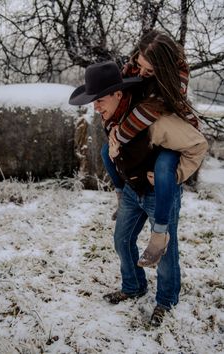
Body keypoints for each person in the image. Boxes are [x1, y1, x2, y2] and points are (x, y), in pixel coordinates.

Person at [69, 61, 208, 325]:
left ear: (118, 94)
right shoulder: (110, 114)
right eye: (92, 101)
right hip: (133, 191)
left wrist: (177, 175)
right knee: (122, 240)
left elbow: (199, 144)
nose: (95, 107)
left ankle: (166, 300)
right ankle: (133, 286)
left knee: (165, 251)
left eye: (99, 100)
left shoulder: (155, 122)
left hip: (159, 192)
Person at [100, 30, 208, 267]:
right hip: (146, 134)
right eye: (139, 65)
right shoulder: (134, 66)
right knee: (105, 152)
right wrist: (112, 130)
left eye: (149, 71)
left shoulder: (172, 85)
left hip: (171, 136)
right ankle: (121, 197)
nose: (141, 73)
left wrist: (121, 134)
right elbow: (118, 95)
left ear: (163, 68)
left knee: (163, 167)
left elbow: (150, 110)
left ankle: (160, 236)